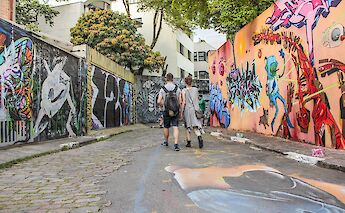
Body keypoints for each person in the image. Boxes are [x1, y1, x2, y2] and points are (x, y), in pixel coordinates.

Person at [157, 73, 182, 151]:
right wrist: (180, 111)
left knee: (166, 126)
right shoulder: (177, 88)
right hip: (175, 111)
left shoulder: (162, 89)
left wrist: (162, 106)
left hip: (166, 110)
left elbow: (158, 101)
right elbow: (180, 101)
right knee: (175, 127)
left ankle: (166, 141)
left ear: (166, 79)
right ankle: (176, 144)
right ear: (173, 79)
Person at [181, 76, 204, 148]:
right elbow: (196, 99)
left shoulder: (184, 91)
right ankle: (199, 136)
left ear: (185, 82)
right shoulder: (196, 90)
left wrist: (181, 111)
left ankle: (188, 142)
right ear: (192, 82)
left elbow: (184, 102)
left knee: (187, 126)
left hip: (188, 109)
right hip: (195, 109)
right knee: (195, 126)